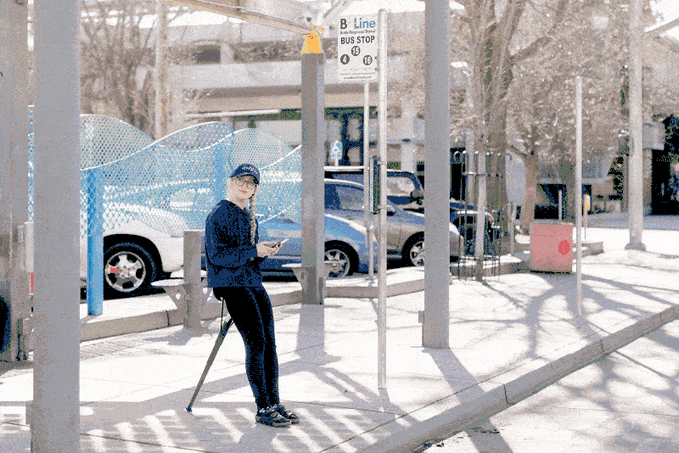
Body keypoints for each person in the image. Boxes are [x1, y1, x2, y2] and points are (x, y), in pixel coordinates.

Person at [204, 163, 299, 428]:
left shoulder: (249, 216)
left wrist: (264, 251)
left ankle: (275, 403)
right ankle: (263, 408)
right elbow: (216, 256)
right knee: (256, 344)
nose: (246, 186)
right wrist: (252, 251)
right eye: (241, 181)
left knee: (269, 343)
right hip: (232, 285)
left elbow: (248, 255)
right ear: (231, 182)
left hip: (252, 282)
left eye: (251, 183)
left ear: (256, 189)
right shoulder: (218, 214)